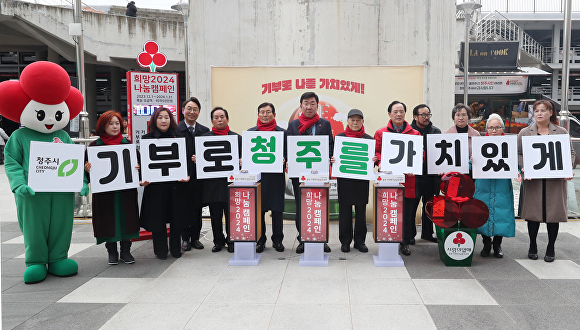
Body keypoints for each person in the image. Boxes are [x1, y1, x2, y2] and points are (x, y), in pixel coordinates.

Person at [518, 100, 575, 262]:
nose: (539, 114)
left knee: (553, 214)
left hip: (555, 181)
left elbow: (570, 153)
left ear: (551, 113)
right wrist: (523, 167)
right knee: (533, 214)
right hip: (533, 180)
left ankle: (551, 247)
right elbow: (518, 153)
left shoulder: (561, 132)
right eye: (536, 111)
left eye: (543, 110)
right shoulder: (525, 132)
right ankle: (533, 245)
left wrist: (567, 167)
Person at [83, 111, 140, 265]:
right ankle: (112, 251)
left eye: (117, 123)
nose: (115, 127)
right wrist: (87, 169)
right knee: (108, 219)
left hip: (125, 192)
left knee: (126, 218)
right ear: (103, 126)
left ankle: (126, 250)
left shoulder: (127, 144)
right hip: (105, 193)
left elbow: (140, 167)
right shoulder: (94, 146)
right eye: (111, 124)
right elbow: (85, 172)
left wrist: (138, 168)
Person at [287, 92, 334, 254]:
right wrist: (286, 159)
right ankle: (303, 238)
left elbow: (330, 145)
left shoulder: (325, 124)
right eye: (306, 103)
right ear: (301, 106)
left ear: (317, 106)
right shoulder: (293, 125)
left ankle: (321, 239)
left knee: (320, 206)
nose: (309, 106)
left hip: (319, 173)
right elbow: (288, 147)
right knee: (301, 206)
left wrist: (330, 157)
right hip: (298, 173)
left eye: (312, 103)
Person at [140, 107, 189, 260]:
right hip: (155, 187)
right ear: (155, 120)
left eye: (166, 117)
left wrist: (187, 175)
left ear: (171, 120)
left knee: (176, 219)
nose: (163, 120)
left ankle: (175, 249)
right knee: (157, 219)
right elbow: (142, 163)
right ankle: (160, 250)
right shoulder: (147, 139)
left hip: (176, 186)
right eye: (160, 117)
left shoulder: (179, 137)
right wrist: (142, 176)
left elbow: (187, 161)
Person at [374, 101, 421, 256]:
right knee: (390, 211)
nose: (399, 114)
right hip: (388, 180)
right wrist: (380, 162)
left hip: (407, 180)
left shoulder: (415, 134)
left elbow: (421, 154)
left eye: (401, 111)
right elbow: (377, 152)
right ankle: (389, 238)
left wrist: (416, 166)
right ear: (389, 114)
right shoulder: (381, 133)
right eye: (395, 112)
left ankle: (405, 242)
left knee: (407, 213)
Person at [331, 109, 375, 253]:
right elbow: (333, 157)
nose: (355, 123)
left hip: (361, 180)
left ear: (362, 121)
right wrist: (332, 160)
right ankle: (345, 242)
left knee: (361, 211)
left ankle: (360, 241)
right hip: (345, 180)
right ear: (347, 121)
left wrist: (374, 160)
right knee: (345, 212)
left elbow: (372, 162)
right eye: (352, 120)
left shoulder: (369, 139)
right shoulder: (339, 138)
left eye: (358, 120)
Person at [473, 114, 516, 258]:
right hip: (483, 185)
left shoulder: (508, 144)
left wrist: (517, 172)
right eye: (491, 127)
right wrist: (471, 161)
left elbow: (514, 163)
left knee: (501, 214)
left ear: (502, 128)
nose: (494, 130)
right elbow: (470, 166)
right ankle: (486, 244)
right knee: (482, 213)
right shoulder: (479, 144)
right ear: (486, 129)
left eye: (497, 127)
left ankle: (497, 245)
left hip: (502, 185)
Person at [200, 107, 242, 253]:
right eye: (216, 117)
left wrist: (242, 161)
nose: (219, 119)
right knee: (215, 215)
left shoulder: (237, 138)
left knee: (231, 214)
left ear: (227, 119)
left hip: (230, 183)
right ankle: (218, 241)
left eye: (222, 116)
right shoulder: (204, 139)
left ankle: (232, 240)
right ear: (212, 120)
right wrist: (197, 159)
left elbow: (244, 159)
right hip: (212, 184)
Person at [247, 102, 287, 253]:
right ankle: (260, 239)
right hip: (258, 178)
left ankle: (277, 240)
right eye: (262, 112)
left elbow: (288, 152)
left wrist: (284, 159)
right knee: (259, 210)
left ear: (274, 115)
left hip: (276, 177)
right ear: (258, 115)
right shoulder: (251, 133)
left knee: (277, 210)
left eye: (268, 112)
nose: (265, 115)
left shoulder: (282, 133)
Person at [176, 97, 209, 252]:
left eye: (195, 109)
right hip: (181, 177)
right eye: (189, 108)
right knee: (183, 207)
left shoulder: (204, 131)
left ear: (199, 112)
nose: (192, 112)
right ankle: (185, 239)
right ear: (183, 110)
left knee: (197, 208)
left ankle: (195, 238)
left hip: (199, 177)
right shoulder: (175, 131)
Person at [409, 104, 441, 243]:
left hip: (431, 176)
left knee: (429, 206)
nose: (426, 117)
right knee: (411, 206)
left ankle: (427, 233)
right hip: (414, 176)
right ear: (415, 116)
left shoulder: (436, 132)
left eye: (428, 114)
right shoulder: (409, 131)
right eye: (423, 115)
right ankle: (410, 235)